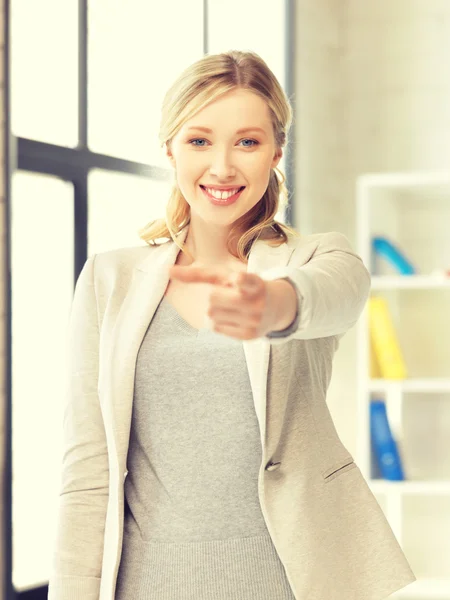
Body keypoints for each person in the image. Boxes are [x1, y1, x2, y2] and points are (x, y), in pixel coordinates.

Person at [48, 51, 416, 600]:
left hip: (290, 580)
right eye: (199, 141)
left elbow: (338, 294)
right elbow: (88, 466)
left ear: (276, 152)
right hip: (148, 584)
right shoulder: (110, 277)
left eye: (247, 142)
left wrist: (273, 305)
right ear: (169, 148)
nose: (222, 167)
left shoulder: (313, 259)